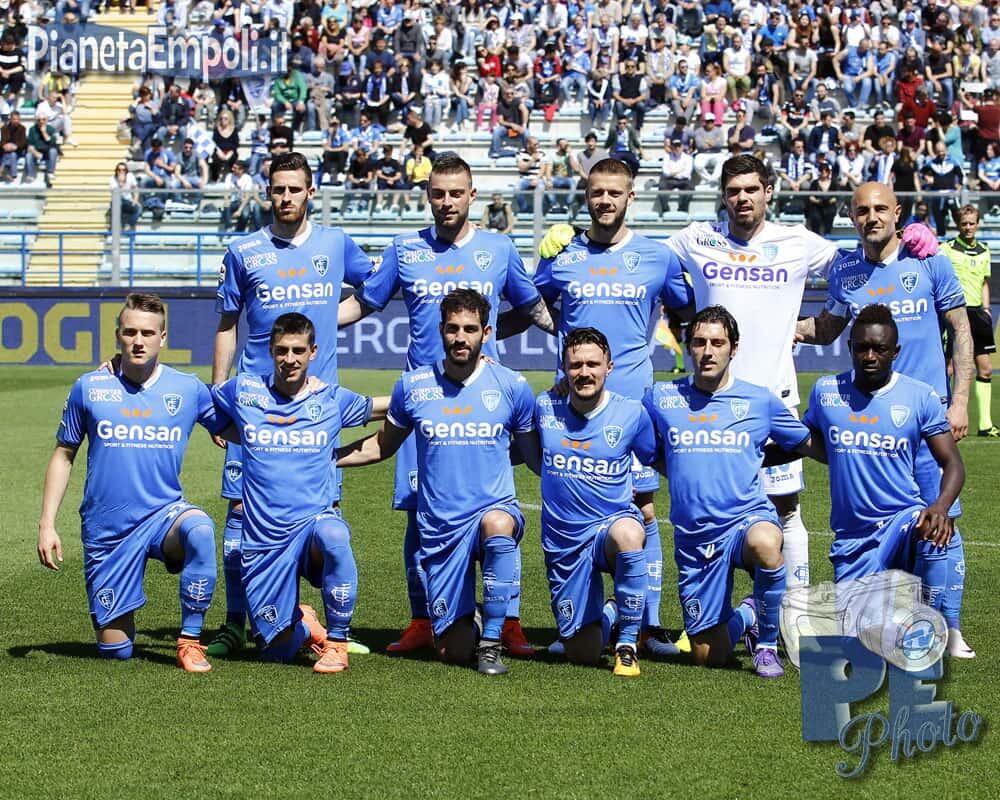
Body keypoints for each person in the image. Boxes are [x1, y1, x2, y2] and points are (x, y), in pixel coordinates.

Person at [538, 155, 940, 595]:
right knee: (707, 509)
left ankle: (793, 609)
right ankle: (717, 613)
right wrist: (570, 240)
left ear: (768, 192)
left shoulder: (797, 241)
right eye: (733, 191)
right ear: (723, 197)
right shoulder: (697, 238)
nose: (742, 198)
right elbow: (633, 252)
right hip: (707, 402)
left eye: (751, 189)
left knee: (785, 508)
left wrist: (907, 239)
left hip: (773, 396)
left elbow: (860, 258)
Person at [337, 155, 552, 656]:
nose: (447, 201)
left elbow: (532, 307)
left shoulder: (498, 249)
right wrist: (308, 321)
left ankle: (508, 620)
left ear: (472, 195)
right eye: (438, 193)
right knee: (419, 513)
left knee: (496, 512)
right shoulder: (405, 249)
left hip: (485, 404)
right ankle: (422, 618)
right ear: (428, 195)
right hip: (425, 406)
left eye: (456, 193)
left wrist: (568, 333)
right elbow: (364, 303)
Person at [506, 157, 694, 656]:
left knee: (643, 508)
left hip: (633, 406)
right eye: (597, 192)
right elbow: (531, 307)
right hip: (573, 406)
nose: (605, 200)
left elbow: (691, 312)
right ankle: (594, 617)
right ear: (586, 197)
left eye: (614, 192)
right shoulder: (562, 254)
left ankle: (646, 625)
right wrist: (485, 337)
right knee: (573, 509)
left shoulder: (658, 257)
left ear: (631, 197)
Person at [796, 181, 976, 659]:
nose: (871, 217)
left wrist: (960, 401)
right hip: (873, 422)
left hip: (928, 417)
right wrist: (778, 328)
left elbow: (961, 329)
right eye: (861, 211)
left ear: (897, 213)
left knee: (943, 519)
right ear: (851, 217)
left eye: (880, 209)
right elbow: (829, 328)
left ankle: (950, 627)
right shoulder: (845, 269)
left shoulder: (929, 259)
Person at [207, 152, 374, 658]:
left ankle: (318, 622)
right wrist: (219, 396)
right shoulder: (244, 251)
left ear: (310, 192)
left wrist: (330, 319)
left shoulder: (335, 243)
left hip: (315, 411)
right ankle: (236, 623)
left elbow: (374, 289)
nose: (285, 197)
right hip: (255, 409)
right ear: (268, 193)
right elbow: (227, 326)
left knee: (322, 517)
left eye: (294, 189)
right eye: (278, 189)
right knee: (240, 517)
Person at [337, 290, 538, 676]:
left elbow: (534, 458)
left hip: (492, 512)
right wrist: (326, 458)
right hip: (442, 529)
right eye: (453, 329)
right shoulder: (413, 386)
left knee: (498, 524)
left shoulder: (512, 386)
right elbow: (380, 446)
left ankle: (491, 642)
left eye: (470, 329)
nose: (461, 337)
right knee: (452, 651)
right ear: (441, 330)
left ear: (486, 333)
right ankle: (471, 621)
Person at [37, 293, 226, 672]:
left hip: (163, 516)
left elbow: (239, 430)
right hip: (108, 530)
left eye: (148, 333)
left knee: (201, 529)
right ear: (118, 335)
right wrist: (47, 524)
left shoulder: (187, 389)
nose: (139, 341)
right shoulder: (90, 387)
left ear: (163, 337)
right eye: (130, 332)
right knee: (117, 651)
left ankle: (190, 641)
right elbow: (64, 454)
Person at [210, 313, 387, 672]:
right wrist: (120, 368)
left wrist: (430, 391)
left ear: (313, 352)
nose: (289, 359)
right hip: (265, 540)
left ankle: (337, 642)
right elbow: (197, 402)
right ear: (270, 351)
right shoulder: (244, 390)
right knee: (276, 650)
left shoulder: (330, 398)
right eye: (282, 350)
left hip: (312, 528)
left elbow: (384, 407)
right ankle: (305, 623)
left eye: (298, 351)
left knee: (334, 533)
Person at [643, 305, 810, 678]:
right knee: (708, 655)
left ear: (734, 348)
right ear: (688, 346)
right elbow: (640, 440)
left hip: (745, 520)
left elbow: (804, 442)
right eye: (699, 342)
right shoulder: (660, 397)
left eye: (717, 343)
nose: (708, 351)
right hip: (696, 536)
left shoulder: (760, 400)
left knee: (766, 542)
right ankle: (750, 614)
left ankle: (766, 647)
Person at [774, 306, 963, 610]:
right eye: (862, 348)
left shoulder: (920, 396)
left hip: (902, 520)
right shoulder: (827, 392)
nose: (870, 356)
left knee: (930, 531)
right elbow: (802, 444)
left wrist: (940, 507)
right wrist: (746, 457)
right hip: (853, 538)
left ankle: (928, 620)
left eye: (880, 349)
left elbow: (953, 463)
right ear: (850, 348)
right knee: (862, 636)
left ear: (895, 352)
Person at [518, 327, 659, 677]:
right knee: (582, 653)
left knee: (629, 533)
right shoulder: (544, 406)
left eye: (593, 364)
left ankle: (627, 644)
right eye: (576, 365)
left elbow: (657, 458)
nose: (584, 372)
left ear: (609, 367)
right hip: (564, 541)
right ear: (564, 369)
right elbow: (527, 454)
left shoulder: (631, 413)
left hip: (610, 526)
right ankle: (612, 610)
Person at [942, 206, 998, 439]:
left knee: (985, 368)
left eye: (972, 223)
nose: (968, 227)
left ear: (978, 224)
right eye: (964, 223)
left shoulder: (984, 251)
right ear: (958, 225)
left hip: (978, 314)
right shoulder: (946, 249)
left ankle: (985, 425)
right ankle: (943, 420)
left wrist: (987, 309)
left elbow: (984, 282)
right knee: (949, 369)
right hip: (956, 313)